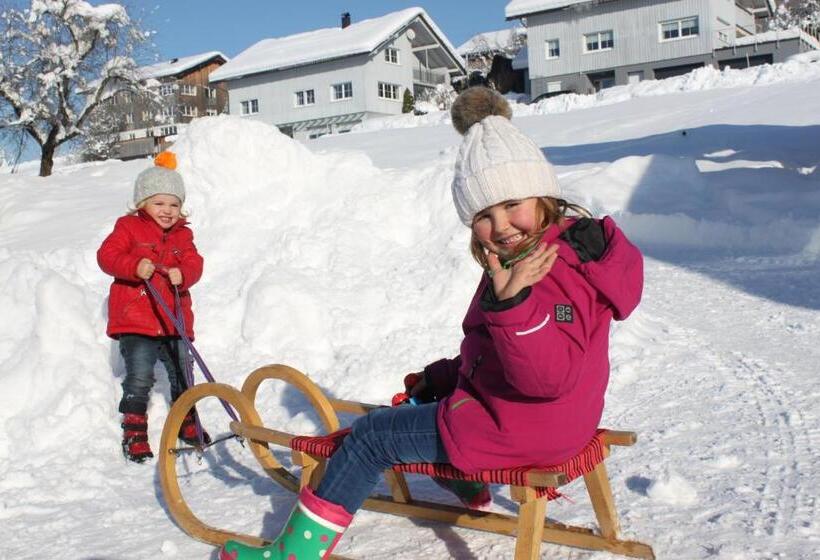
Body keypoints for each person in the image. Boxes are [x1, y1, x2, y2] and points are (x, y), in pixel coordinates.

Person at [219, 87, 643, 560]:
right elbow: (502, 352)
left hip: (525, 430)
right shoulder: (554, 253)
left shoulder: (540, 273)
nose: (501, 226)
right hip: (560, 421)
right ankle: (471, 489)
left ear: (543, 194)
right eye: (483, 215)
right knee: (431, 400)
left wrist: (514, 304)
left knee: (372, 436)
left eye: (512, 204)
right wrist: (445, 375)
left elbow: (545, 376)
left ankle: (292, 553)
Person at [97, 151, 209, 464]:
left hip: (173, 319)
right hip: (137, 320)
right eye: (159, 203)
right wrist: (134, 266)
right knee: (140, 376)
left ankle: (187, 419)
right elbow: (107, 256)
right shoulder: (128, 228)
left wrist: (183, 274)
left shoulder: (184, 235)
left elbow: (195, 263)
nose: (168, 211)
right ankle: (134, 429)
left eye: (174, 204)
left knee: (183, 373)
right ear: (142, 202)